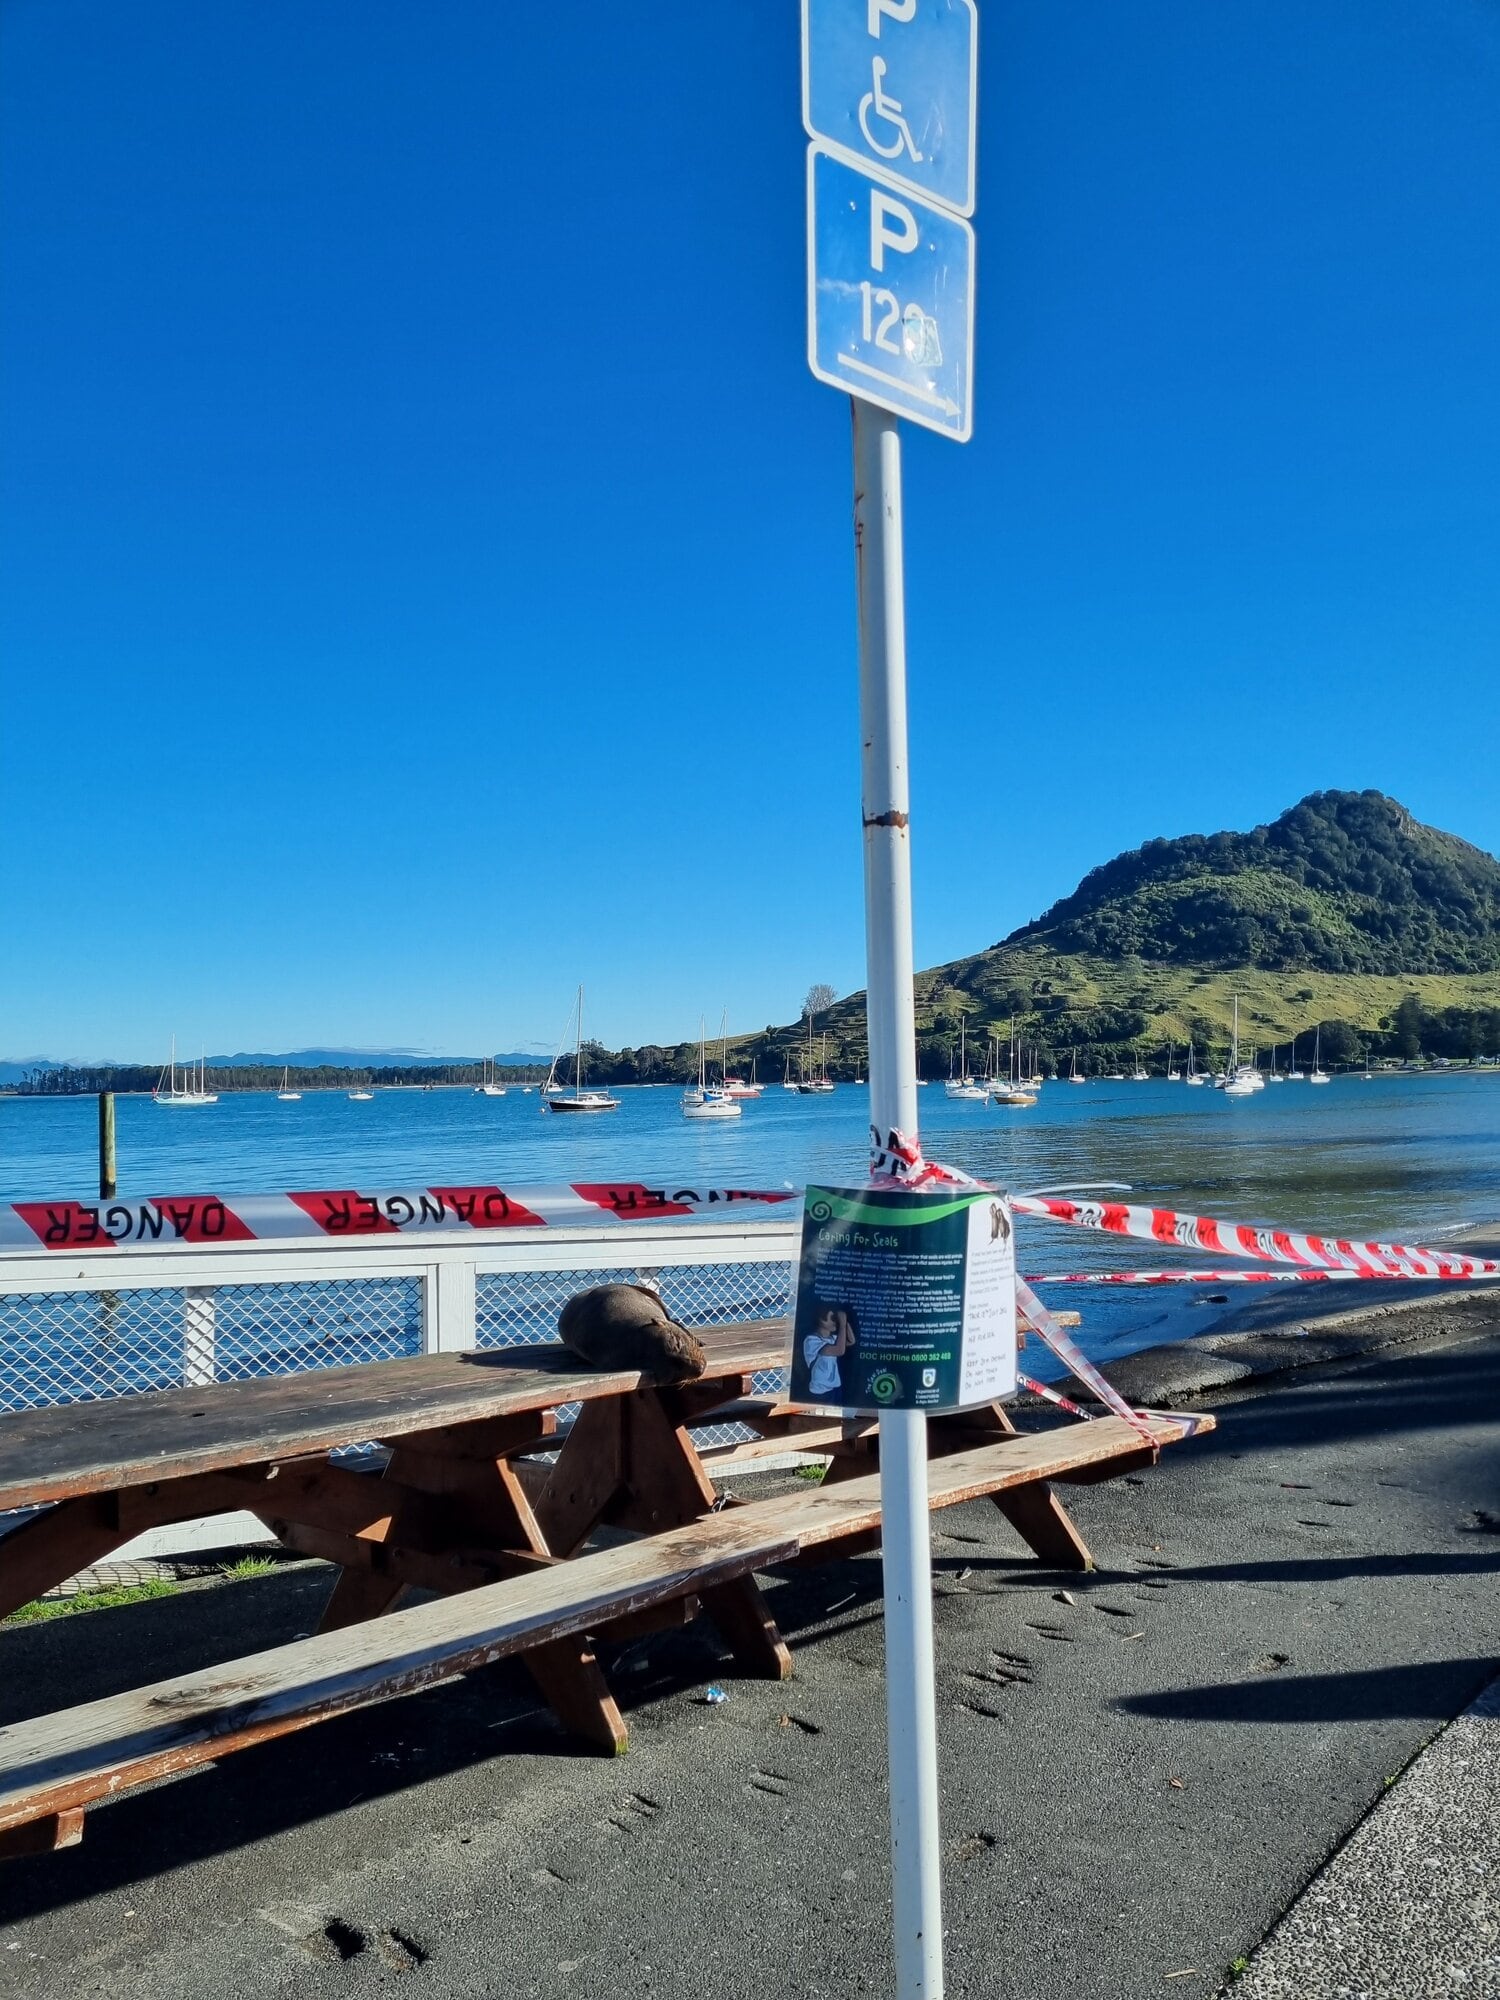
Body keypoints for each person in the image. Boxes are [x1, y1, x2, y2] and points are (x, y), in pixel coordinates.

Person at [804, 1304, 855, 1401]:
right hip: (818, 1390)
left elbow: (851, 1341)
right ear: (820, 1320)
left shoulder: (832, 1339)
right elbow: (839, 1350)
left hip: (832, 1388)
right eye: (832, 1318)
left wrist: (845, 1321)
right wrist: (842, 1325)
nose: (834, 1321)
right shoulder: (812, 1340)